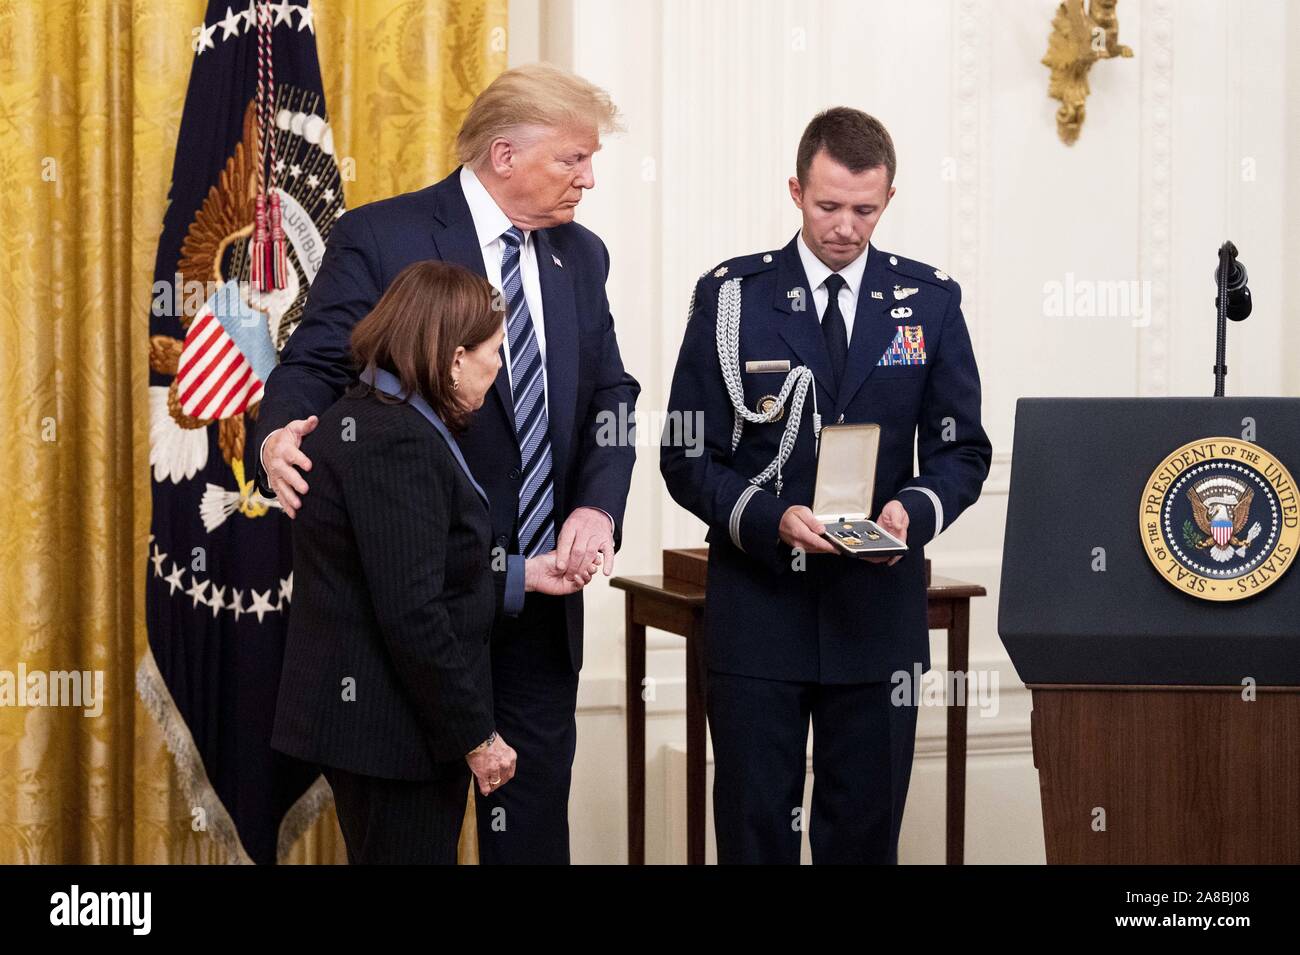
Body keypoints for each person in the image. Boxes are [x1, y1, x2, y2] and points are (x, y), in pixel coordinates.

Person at [255, 64, 639, 864]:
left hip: (540, 608)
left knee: (531, 841)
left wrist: (597, 507)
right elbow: (315, 364)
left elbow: (611, 392)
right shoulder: (384, 235)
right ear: (505, 154)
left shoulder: (584, 255)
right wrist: (277, 432)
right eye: (573, 159)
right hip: (416, 614)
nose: (590, 178)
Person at [661, 107, 992, 864]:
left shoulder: (930, 302)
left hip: (876, 617)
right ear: (795, 190)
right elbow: (686, 455)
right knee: (754, 838)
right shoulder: (732, 297)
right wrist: (772, 517)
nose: (845, 226)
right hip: (760, 613)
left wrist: (913, 508)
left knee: (862, 842)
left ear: (889, 200)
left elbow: (962, 450)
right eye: (828, 206)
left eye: (864, 210)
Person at [271, 260, 599, 864]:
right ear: (453, 358)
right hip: (393, 734)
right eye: (494, 353)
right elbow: (413, 612)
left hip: (376, 727)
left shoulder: (370, 414)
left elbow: (416, 571)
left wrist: (524, 574)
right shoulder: (397, 440)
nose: (499, 369)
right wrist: (477, 735)